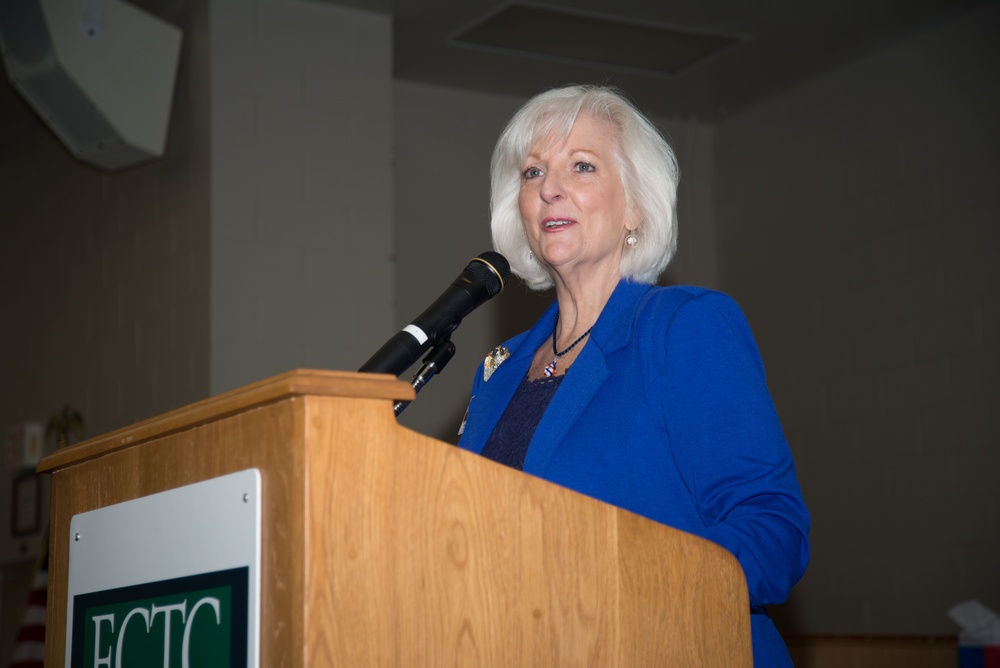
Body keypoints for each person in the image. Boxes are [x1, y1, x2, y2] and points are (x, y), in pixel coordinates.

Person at [456, 84, 810, 666]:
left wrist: (620, 582)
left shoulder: (684, 328)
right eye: (533, 172)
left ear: (636, 205)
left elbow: (772, 532)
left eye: (582, 166)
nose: (549, 188)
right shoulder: (498, 372)